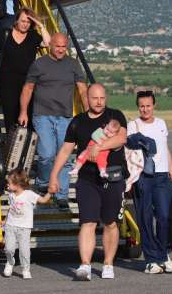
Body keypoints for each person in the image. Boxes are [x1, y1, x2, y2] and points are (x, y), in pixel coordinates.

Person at [48, 84, 128, 281]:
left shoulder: (115, 116)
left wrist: (98, 148)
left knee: (110, 223)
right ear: (87, 99)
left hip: (112, 178)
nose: (99, 102)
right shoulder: (78, 122)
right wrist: (54, 175)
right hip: (87, 180)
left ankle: (108, 264)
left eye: (102, 98)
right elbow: (65, 150)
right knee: (87, 222)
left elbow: (121, 139)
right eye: (95, 98)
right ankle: (85, 265)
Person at [19, 33, 88, 209]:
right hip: (42, 115)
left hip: (65, 117)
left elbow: (82, 90)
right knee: (47, 154)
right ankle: (43, 182)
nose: (60, 50)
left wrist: (88, 112)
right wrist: (23, 112)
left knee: (65, 157)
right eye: (57, 46)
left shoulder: (73, 64)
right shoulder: (39, 64)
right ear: (50, 45)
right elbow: (28, 88)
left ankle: (61, 195)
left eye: (64, 46)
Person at [129, 90, 172, 274]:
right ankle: (151, 260)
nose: (145, 109)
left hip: (162, 177)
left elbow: (165, 149)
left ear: (154, 105)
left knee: (164, 217)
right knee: (145, 219)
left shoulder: (161, 123)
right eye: (142, 106)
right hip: (143, 177)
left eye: (148, 106)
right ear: (138, 107)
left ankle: (163, 254)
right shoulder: (133, 125)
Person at [0, 7, 50, 139]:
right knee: (10, 116)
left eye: (28, 22)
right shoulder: (6, 33)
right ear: (16, 20)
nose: (25, 24)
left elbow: (47, 43)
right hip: (7, 82)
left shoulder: (33, 35)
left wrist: (40, 25)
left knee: (28, 116)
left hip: (28, 83)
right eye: (22, 21)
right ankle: (12, 145)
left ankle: (26, 145)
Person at [2, 168, 52, 280]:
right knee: (8, 248)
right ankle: (10, 262)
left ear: (17, 184)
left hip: (24, 228)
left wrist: (50, 192)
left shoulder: (29, 194)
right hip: (10, 226)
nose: (8, 185)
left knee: (24, 251)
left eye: (9, 183)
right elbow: (11, 208)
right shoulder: (11, 195)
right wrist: (5, 220)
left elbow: (43, 200)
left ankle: (25, 269)